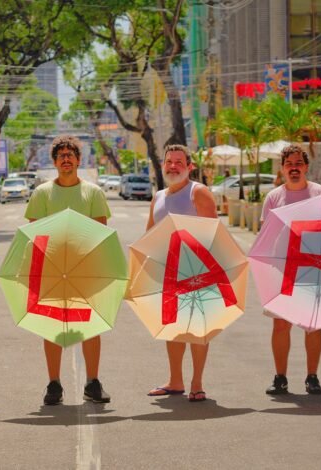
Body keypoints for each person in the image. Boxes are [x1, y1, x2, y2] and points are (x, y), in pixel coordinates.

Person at [24, 135, 112, 405]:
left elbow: (101, 231)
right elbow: (34, 233)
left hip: (85, 269)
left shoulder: (93, 192)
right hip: (51, 269)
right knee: (51, 326)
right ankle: (54, 384)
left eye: (70, 154)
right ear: (54, 161)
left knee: (91, 326)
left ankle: (92, 382)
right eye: (60, 155)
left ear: (78, 159)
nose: (65, 159)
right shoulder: (42, 193)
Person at [145, 145, 218, 403]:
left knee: (197, 329)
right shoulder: (159, 197)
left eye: (179, 162)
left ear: (190, 166)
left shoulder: (198, 193)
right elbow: (150, 236)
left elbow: (213, 236)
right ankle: (175, 380)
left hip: (196, 272)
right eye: (169, 161)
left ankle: (197, 383)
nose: (173, 166)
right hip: (167, 272)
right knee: (172, 328)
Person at [261, 145, 321, 396]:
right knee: (281, 325)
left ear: (305, 167)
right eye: (289, 164)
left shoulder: (320, 193)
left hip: (313, 267)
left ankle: (312, 377)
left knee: (312, 325)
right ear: (282, 168)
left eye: (298, 163)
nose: (294, 168)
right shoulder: (273, 197)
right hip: (282, 269)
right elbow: (267, 235)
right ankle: (280, 378)